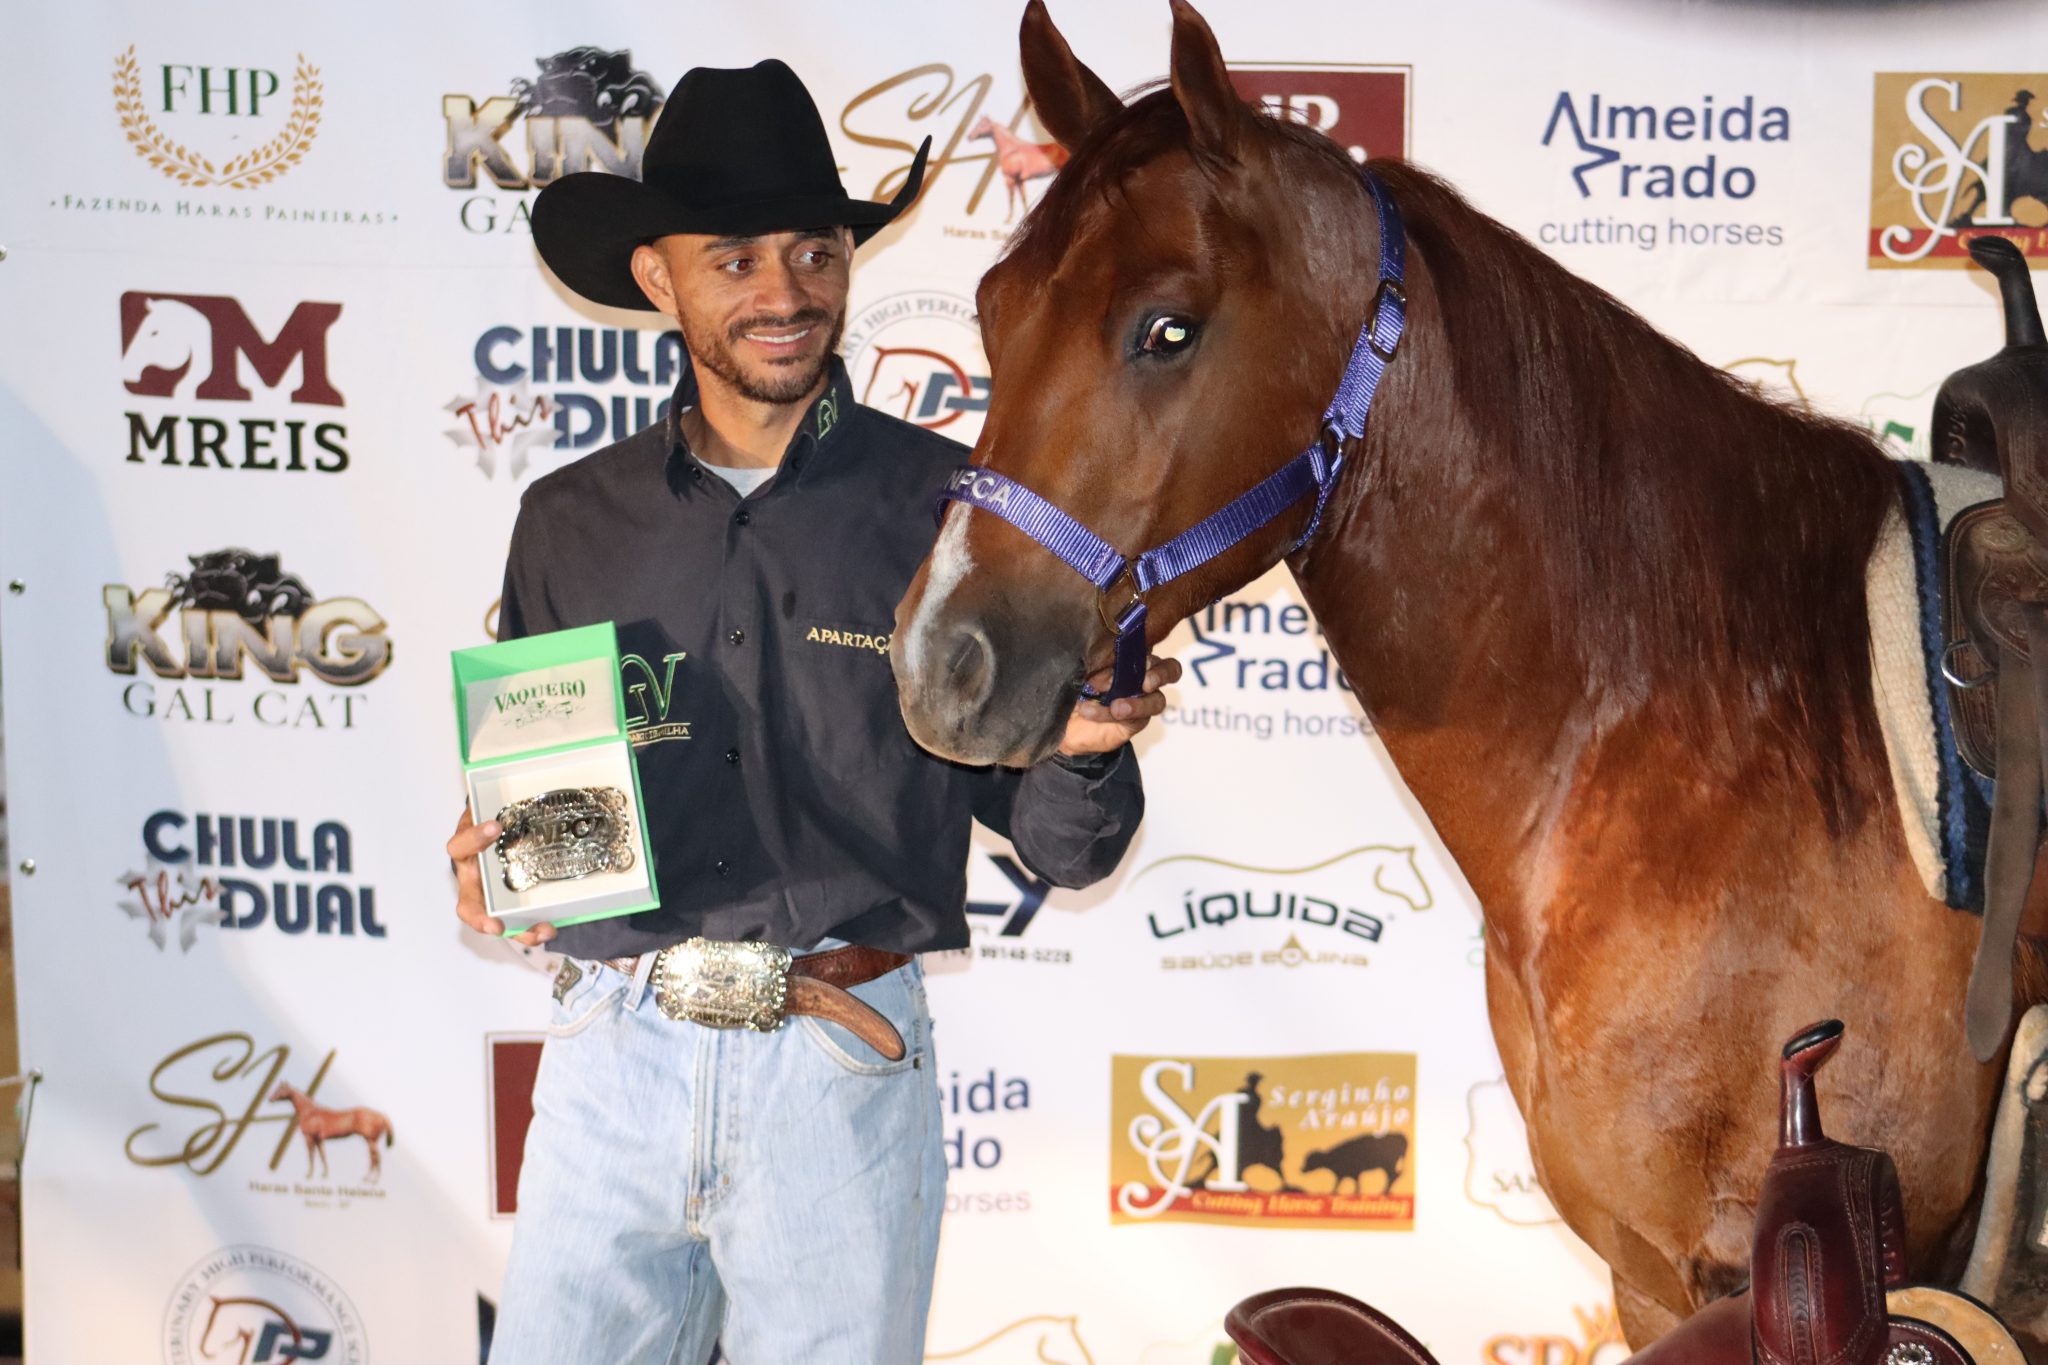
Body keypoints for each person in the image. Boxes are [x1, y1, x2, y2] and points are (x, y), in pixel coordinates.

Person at [445, 59, 1177, 1365]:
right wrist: (494, 866)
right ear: (659, 279)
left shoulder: (954, 509)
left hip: (841, 1069)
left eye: (813, 252)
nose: (785, 294)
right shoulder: (566, 523)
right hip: (612, 1060)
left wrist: (1079, 755)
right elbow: (536, 824)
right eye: (734, 260)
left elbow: (1067, 849)